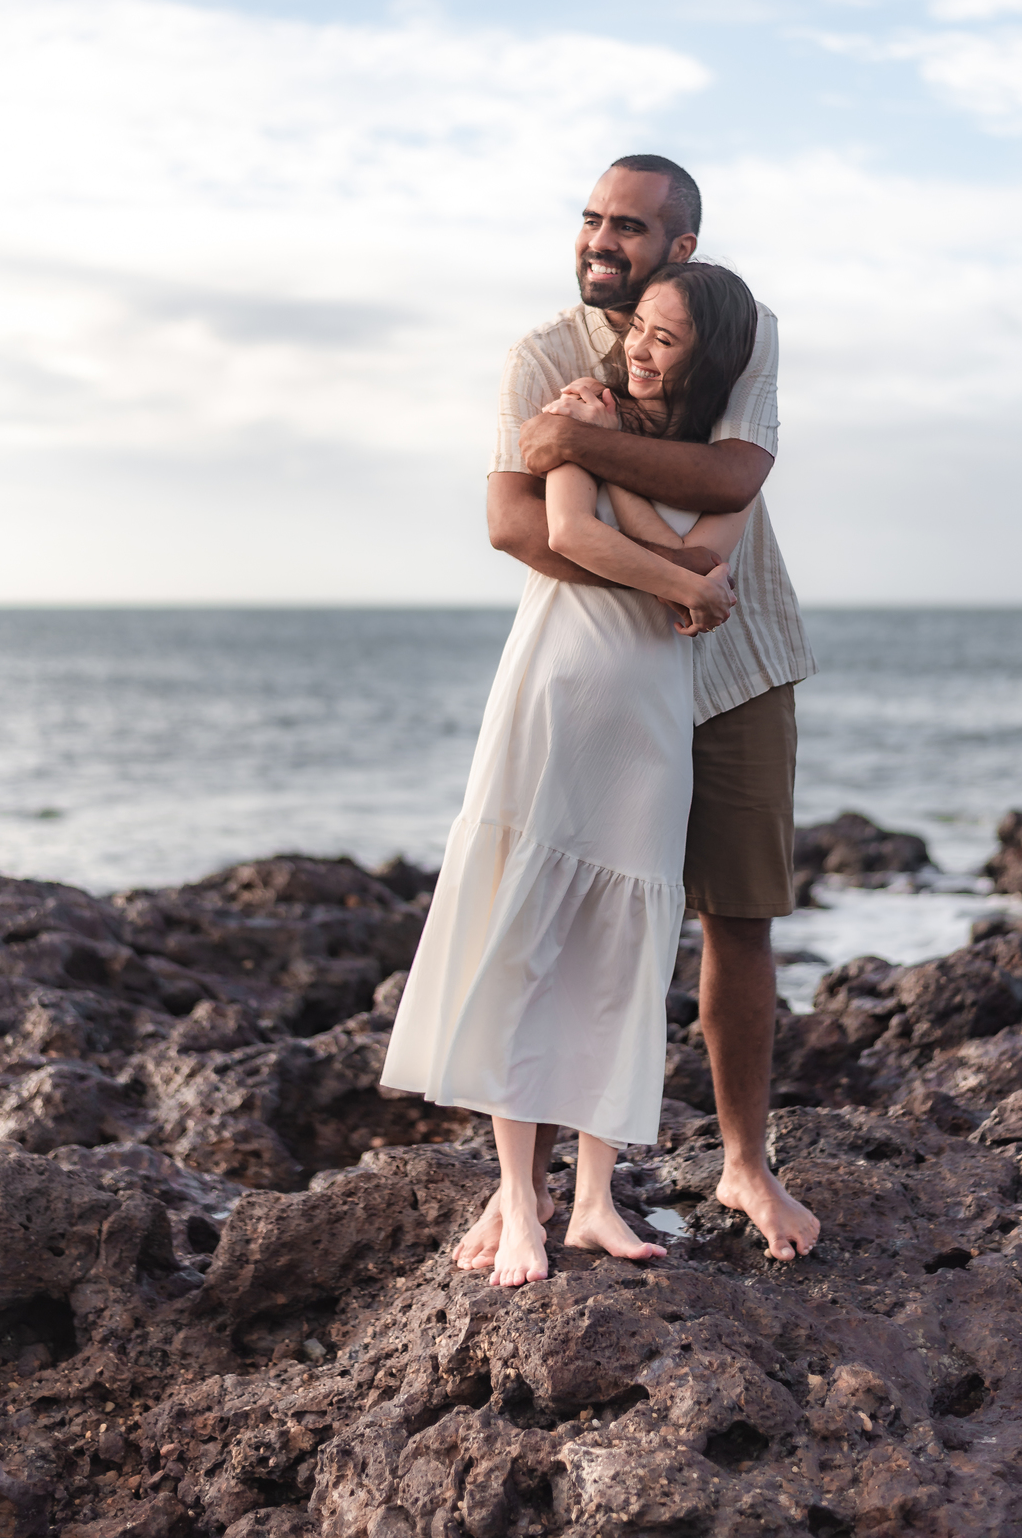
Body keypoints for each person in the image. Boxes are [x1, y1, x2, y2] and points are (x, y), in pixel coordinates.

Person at [452, 155, 819, 1269]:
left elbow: (734, 475)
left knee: (737, 916)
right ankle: (522, 1186)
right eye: (593, 219)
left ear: (681, 248)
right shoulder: (542, 357)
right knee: (557, 910)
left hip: (741, 664)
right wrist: (673, 585)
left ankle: (744, 1162)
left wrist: (578, 446)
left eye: (632, 226)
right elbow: (519, 527)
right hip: (613, 673)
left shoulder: (740, 327)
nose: (603, 239)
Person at [382, 260, 768, 1287]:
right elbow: (566, 532)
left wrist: (635, 499)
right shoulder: (575, 406)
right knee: (529, 936)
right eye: (638, 326)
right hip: (558, 687)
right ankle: (520, 1199)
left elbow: (710, 556)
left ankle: (594, 1196)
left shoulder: (695, 456)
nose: (640, 347)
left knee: (622, 951)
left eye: (667, 337)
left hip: (651, 710)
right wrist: (675, 564)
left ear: (709, 357)